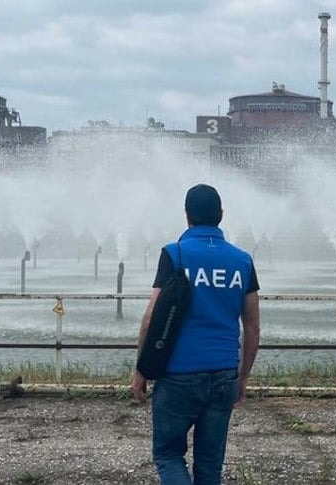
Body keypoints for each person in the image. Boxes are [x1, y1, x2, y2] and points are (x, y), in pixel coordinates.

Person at [131, 183, 261, 485]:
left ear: (187, 215)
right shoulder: (243, 261)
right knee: (209, 466)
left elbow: (151, 318)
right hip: (224, 374)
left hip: (178, 375)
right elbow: (252, 326)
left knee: (168, 455)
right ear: (221, 215)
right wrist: (242, 377)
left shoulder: (175, 255)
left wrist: (142, 370)